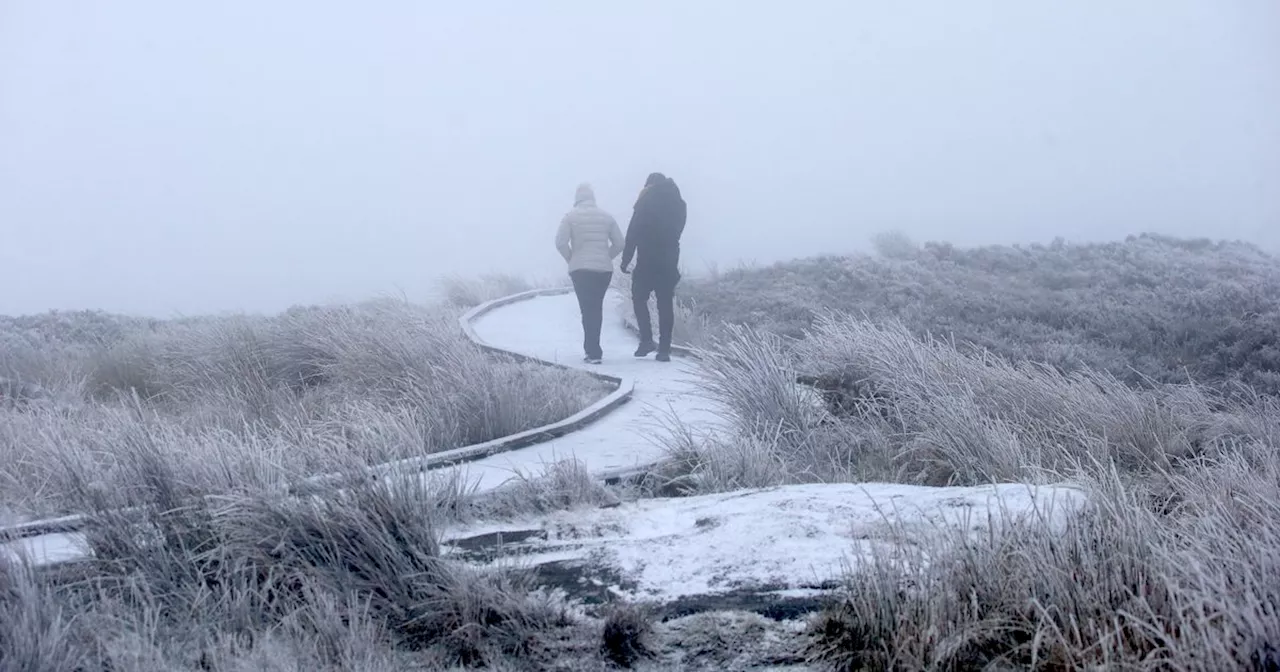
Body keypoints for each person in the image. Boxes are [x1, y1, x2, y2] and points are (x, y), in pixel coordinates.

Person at [620, 172, 686, 362]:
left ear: (649, 185)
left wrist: (626, 259)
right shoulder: (679, 203)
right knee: (665, 303)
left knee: (639, 297)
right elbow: (678, 231)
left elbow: (633, 231)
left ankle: (646, 340)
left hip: (647, 258)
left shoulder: (645, 200)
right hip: (669, 259)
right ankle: (664, 349)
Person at [555, 182, 624, 364]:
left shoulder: (570, 217)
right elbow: (620, 243)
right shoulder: (607, 217)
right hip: (603, 270)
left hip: (581, 270)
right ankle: (593, 350)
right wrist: (605, 257)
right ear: (592, 198)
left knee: (587, 309)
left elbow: (560, 242)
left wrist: (572, 258)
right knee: (596, 307)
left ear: (577, 198)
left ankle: (592, 351)